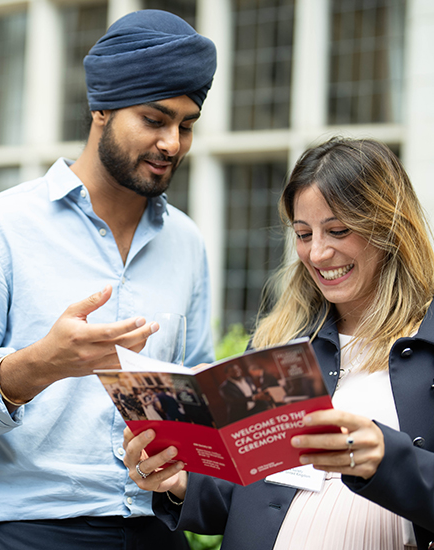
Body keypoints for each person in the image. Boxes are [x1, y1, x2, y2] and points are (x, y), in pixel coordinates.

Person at [0, 9, 216, 550]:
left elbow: (196, 387)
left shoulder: (188, 242)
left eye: (187, 125)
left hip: (157, 529)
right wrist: (36, 367)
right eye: (155, 119)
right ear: (101, 108)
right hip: (26, 533)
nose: (173, 142)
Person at [123, 137, 434, 549]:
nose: (318, 253)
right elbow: (241, 493)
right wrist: (183, 481)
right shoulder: (281, 339)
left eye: (338, 230)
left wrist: (384, 457)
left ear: (389, 225)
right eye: (303, 234)